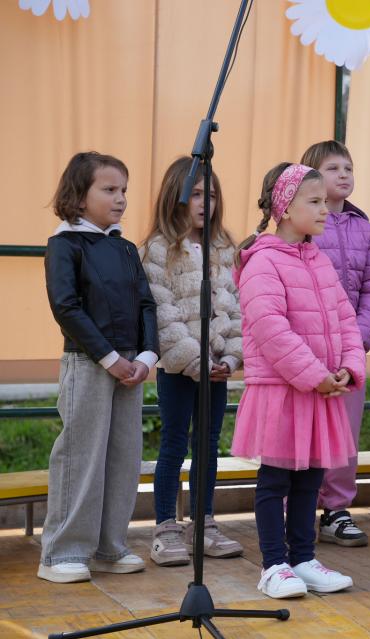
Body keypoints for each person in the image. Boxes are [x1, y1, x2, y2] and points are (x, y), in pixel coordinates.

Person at [232, 163, 359, 598]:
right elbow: (270, 328)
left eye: (325, 201)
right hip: (282, 391)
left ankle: (303, 558)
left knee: (311, 477)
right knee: (276, 480)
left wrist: (347, 367)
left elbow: (345, 319)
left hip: (319, 391)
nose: (325, 209)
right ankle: (274, 565)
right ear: (285, 208)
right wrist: (314, 375)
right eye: (315, 201)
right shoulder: (263, 262)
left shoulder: (319, 260)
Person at [39, 152, 158, 583]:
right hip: (89, 362)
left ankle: (110, 546)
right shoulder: (65, 244)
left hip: (130, 368)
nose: (120, 198)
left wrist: (146, 356)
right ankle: (62, 553)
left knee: (124, 457)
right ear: (78, 195)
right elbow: (66, 307)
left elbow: (146, 303)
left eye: (124, 190)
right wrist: (110, 358)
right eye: (109, 190)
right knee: (82, 454)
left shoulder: (124, 248)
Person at [140, 157, 244, 566]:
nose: (205, 203)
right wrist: (196, 361)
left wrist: (230, 358)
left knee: (208, 444)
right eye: (196, 194)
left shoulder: (224, 249)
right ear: (176, 197)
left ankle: (204, 523)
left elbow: (235, 309)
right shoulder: (156, 251)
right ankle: (166, 527)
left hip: (217, 369)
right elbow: (163, 315)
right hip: (178, 368)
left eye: (211, 195)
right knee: (174, 443)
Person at [301, 140, 370, 547]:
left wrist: (360, 339)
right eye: (333, 168)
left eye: (348, 167)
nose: (344, 174)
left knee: (345, 434)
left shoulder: (364, 227)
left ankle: (336, 508)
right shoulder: (301, 228)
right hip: (309, 352)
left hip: (350, 352)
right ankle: (298, 508)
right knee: (304, 432)